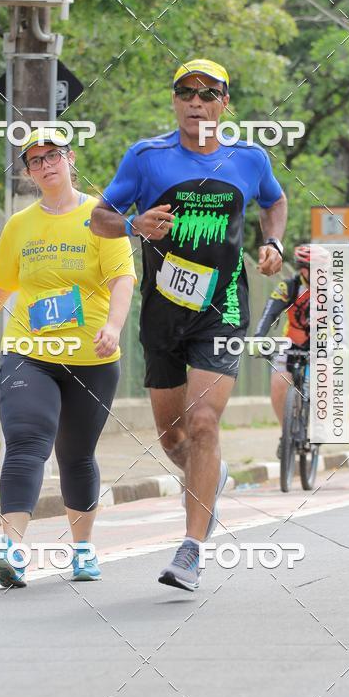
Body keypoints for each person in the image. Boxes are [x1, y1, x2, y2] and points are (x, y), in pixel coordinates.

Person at [90, 59, 287, 591]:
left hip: (222, 309)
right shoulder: (147, 157)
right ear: (175, 100)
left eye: (208, 94)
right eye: (186, 92)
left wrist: (272, 243)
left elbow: (274, 200)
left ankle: (192, 550)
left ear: (226, 102)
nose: (196, 102)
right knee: (174, 436)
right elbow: (99, 217)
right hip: (162, 313)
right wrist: (133, 223)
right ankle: (209, 476)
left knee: (203, 424)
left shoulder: (248, 158)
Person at [0, 128, 136, 587]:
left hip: (92, 355)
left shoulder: (101, 216)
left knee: (76, 455)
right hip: (29, 351)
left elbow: (122, 279)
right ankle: (10, 547)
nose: (45, 164)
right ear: (28, 172)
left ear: (69, 160)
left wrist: (113, 326)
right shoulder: (19, 225)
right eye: (35, 160)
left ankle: (83, 548)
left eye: (53, 156)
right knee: (27, 441)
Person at [254, 243, 325, 456]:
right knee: (278, 382)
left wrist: (340, 346)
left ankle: (320, 424)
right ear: (304, 269)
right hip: (292, 342)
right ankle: (286, 434)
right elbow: (270, 312)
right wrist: (258, 338)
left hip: (322, 342)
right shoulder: (289, 287)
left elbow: (339, 323)